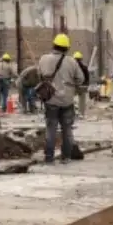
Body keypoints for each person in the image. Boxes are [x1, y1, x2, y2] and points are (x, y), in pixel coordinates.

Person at [37, 35, 85, 163]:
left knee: (51, 129)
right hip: (67, 100)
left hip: (50, 99)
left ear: (54, 45)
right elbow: (81, 79)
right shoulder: (71, 61)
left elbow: (39, 75)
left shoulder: (44, 59)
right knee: (67, 129)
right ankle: (66, 157)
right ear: (67, 48)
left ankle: (49, 157)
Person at [73, 50, 90, 117]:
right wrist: (86, 85)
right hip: (82, 86)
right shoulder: (84, 67)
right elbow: (87, 78)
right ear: (81, 59)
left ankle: (73, 112)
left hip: (75, 86)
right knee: (82, 100)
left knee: (70, 99)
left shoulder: (73, 67)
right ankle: (81, 113)